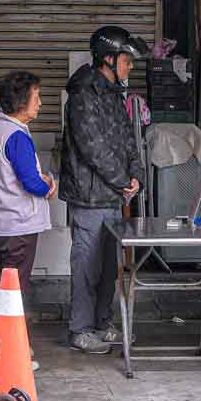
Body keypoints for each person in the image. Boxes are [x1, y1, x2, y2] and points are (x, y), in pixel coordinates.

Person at [60, 26, 148, 355]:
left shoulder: (114, 94)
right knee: (87, 265)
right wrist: (123, 180)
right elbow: (91, 148)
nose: (130, 66)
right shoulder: (83, 95)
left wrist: (136, 175)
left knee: (109, 266)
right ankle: (80, 329)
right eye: (126, 60)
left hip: (112, 195)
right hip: (88, 196)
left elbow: (128, 140)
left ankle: (102, 322)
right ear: (108, 59)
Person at [0, 70, 55, 294]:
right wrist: (49, 186)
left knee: (9, 285)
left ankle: (7, 326)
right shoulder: (16, 135)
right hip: (17, 226)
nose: (40, 103)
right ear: (21, 101)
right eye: (37, 97)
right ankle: (10, 329)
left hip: (2, 224)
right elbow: (31, 183)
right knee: (16, 290)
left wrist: (36, 177)